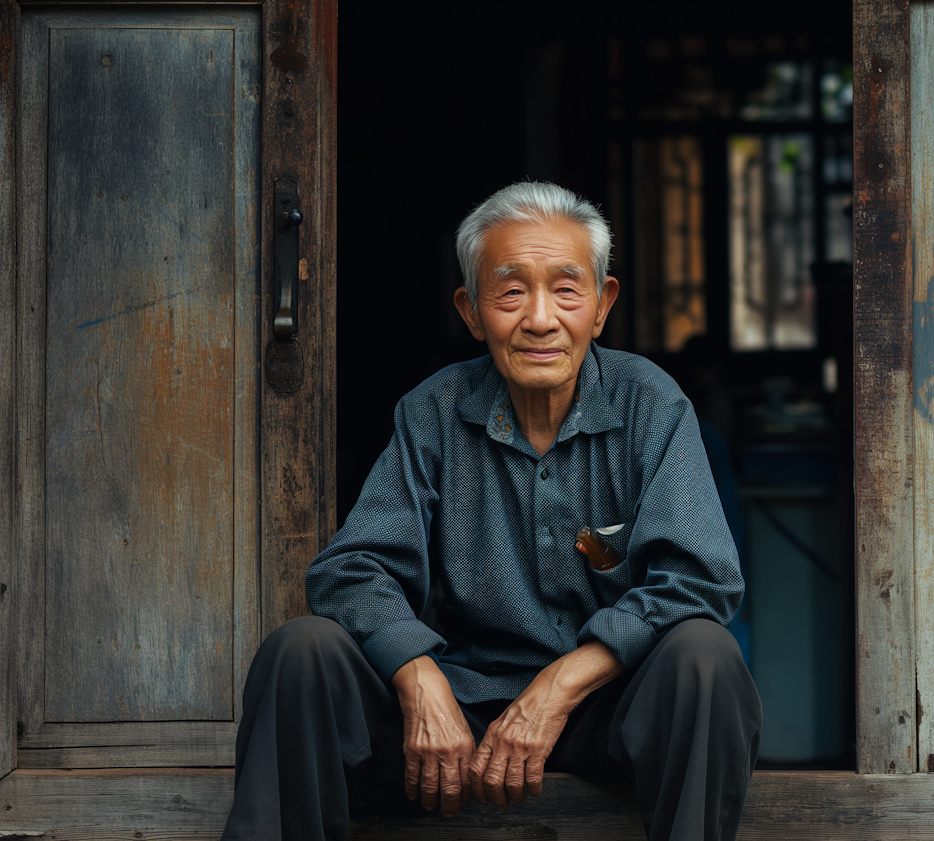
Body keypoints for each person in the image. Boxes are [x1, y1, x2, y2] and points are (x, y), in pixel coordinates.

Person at [221, 182, 761, 841]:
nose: (540, 318)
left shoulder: (651, 404)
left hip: (606, 711)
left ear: (601, 305)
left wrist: (558, 686)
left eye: (566, 289)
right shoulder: (435, 411)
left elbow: (700, 576)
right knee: (299, 650)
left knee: (705, 654)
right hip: (460, 712)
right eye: (510, 292)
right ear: (472, 311)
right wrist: (420, 680)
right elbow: (352, 569)